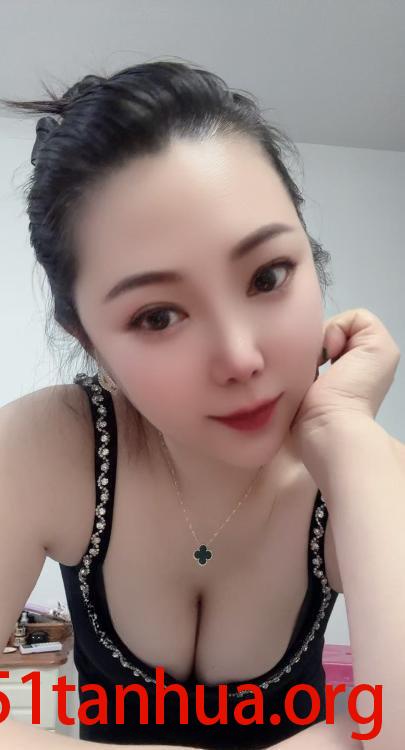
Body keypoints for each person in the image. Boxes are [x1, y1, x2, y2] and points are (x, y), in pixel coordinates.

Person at [1, 59, 401, 750]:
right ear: (89, 341)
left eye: (267, 276)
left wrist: (346, 431)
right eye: (158, 316)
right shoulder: (52, 446)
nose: (241, 357)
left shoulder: (359, 476)